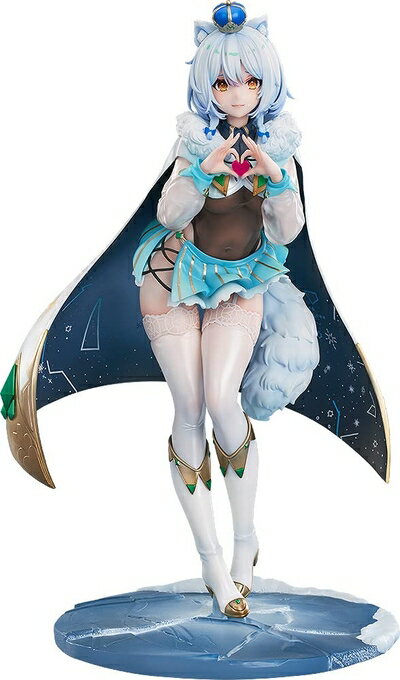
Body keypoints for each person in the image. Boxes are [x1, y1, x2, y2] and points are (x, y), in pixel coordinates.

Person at [132, 1, 318, 618]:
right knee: (188, 407)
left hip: (241, 281)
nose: (237, 93)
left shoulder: (280, 146)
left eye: (249, 80)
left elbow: (287, 233)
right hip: (171, 276)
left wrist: (276, 179)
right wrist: (201, 171)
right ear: (205, 86)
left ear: (267, 82)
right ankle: (210, 561)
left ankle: (245, 543)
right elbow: (168, 216)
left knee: (221, 398)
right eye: (222, 82)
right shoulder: (193, 141)